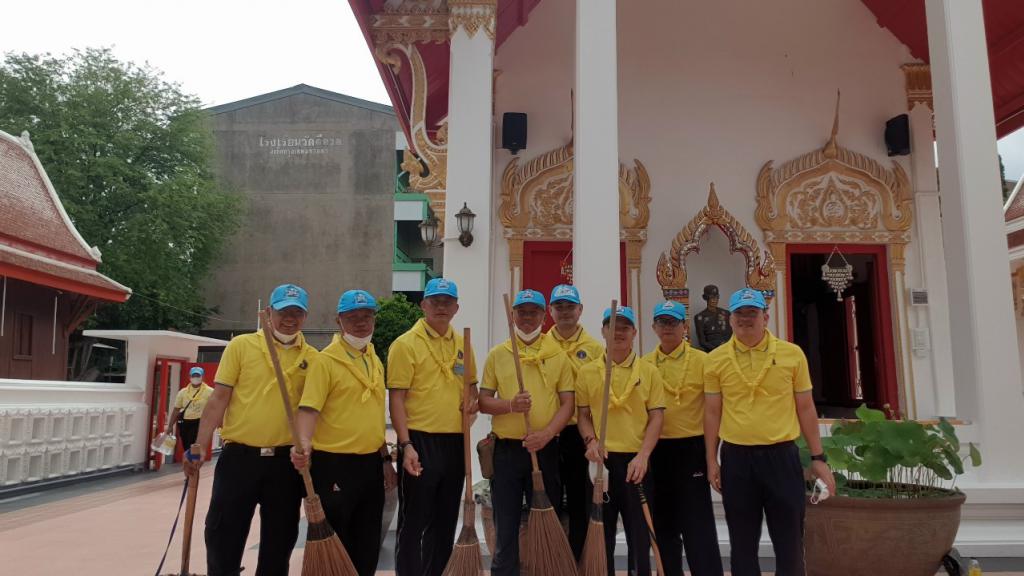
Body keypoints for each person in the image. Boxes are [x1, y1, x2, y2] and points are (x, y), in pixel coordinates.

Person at [187, 283, 319, 576]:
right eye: (283, 312)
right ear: (269, 312)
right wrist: (199, 446)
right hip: (239, 459)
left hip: (285, 464)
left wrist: (307, 448)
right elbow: (218, 398)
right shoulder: (241, 346)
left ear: (305, 316)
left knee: (279, 542)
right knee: (223, 536)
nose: (290, 319)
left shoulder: (313, 358)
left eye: (297, 313)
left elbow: (310, 411)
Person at [704, 288, 836, 576]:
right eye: (739, 314)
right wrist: (712, 460)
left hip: (782, 458)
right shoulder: (715, 359)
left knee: (789, 541)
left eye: (752, 313)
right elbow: (712, 412)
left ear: (765, 317)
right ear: (730, 319)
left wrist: (818, 458)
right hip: (737, 460)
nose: (745, 319)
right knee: (742, 543)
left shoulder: (792, 354)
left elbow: (806, 408)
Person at [290, 289, 396, 576]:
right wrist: (303, 442)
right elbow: (309, 409)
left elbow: (373, 416)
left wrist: (385, 460)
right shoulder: (325, 361)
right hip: (334, 465)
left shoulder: (374, 359)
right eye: (352, 317)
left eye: (367, 316)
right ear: (339, 321)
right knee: (339, 542)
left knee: (368, 542)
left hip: (370, 465)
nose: (361, 323)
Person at [479, 289, 575, 576]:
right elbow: (483, 401)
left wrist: (546, 434)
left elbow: (568, 404)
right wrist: (510, 405)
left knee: (547, 518)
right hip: (507, 451)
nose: (528, 317)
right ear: (513, 316)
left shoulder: (557, 355)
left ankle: (545, 569)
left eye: (534, 312)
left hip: (544, 450)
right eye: (522, 312)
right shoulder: (499, 355)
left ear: (544, 317)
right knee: (505, 524)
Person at [387, 277, 478, 576]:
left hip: (454, 441)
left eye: (447, 302)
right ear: (423, 305)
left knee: (444, 521)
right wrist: (406, 444)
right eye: (435, 301)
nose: (441, 307)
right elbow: (397, 399)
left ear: (456, 308)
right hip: (419, 441)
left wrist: (472, 404)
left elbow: (472, 390)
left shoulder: (464, 344)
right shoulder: (405, 344)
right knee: (414, 522)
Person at [577, 305, 666, 576]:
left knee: (639, 538)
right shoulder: (588, 372)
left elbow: (657, 417)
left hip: (636, 463)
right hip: (602, 463)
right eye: (612, 327)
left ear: (634, 333)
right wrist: (590, 441)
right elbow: (583, 416)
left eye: (625, 327)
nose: (618, 332)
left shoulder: (649, 371)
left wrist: (643, 456)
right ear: (603, 331)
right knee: (601, 537)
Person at [644, 301, 723, 576]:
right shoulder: (644, 365)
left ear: (685, 326)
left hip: (692, 449)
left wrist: (712, 457)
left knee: (697, 524)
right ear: (654, 327)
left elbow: (714, 410)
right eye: (662, 322)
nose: (667, 327)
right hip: (657, 450)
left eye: (673, 322)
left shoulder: (704, 361)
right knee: (663, 523)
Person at [546, 283, 604, 560]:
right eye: (559, 307)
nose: (565, 312)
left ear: (580, 310)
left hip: (579, 433)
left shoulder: (595, 349)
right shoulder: (540, 346)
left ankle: (579, 559)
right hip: (547, 433)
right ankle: (552, 560)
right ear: (550, 311)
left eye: (570, 306)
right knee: (549, 498)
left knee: (581, 500)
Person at [166, 366, 214, 453]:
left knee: (195, 446)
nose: (195, 378)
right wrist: (170, 426)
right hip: (185, 423)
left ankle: (193, 460)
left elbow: (215, 408)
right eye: (193, 376)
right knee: (187, 446)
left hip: (200, 422)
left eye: (198, 376)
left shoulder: (210, 391)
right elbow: (176, 409)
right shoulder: (183, 392)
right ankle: (190, 459)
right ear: (190, 377)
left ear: (202, 377)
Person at [693, 285, 732, 352]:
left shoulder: (726, 314)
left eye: (717, 297)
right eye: (711, 297)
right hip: (712, 352)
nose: (714, 300)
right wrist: (717, 351)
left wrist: (727, 348)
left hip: (728, 350)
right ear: (705, 298)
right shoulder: (700, 317)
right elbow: (702, 342)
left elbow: (731, 335)